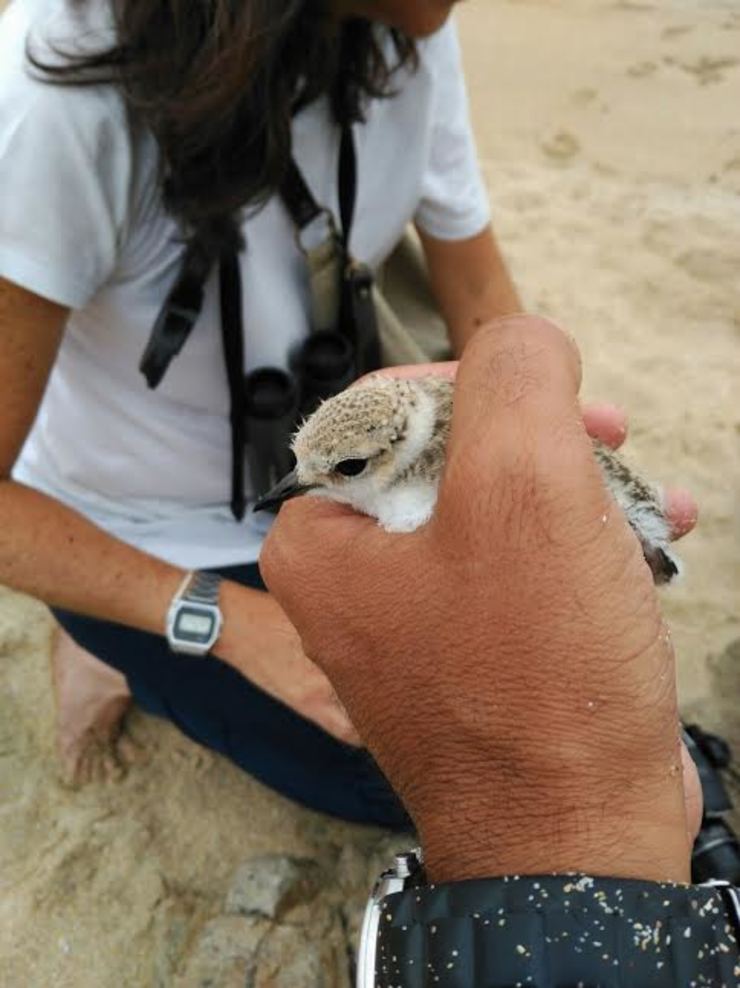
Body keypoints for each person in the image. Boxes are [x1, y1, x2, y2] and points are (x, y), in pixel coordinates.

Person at [0, 0, 694, 823]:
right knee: (432, 774)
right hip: (144, 529)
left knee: (568, 704)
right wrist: (223, 621)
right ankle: (104, 638)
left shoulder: (405, 22)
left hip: (364, 461)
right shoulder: (54, 103)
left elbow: (476, 295)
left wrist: (536, 476)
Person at [259, 316, 740, 986]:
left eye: (341, 471)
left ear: (395, 452)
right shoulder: (414, 459)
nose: (299, 487)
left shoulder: (414, 496)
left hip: (620, 545)